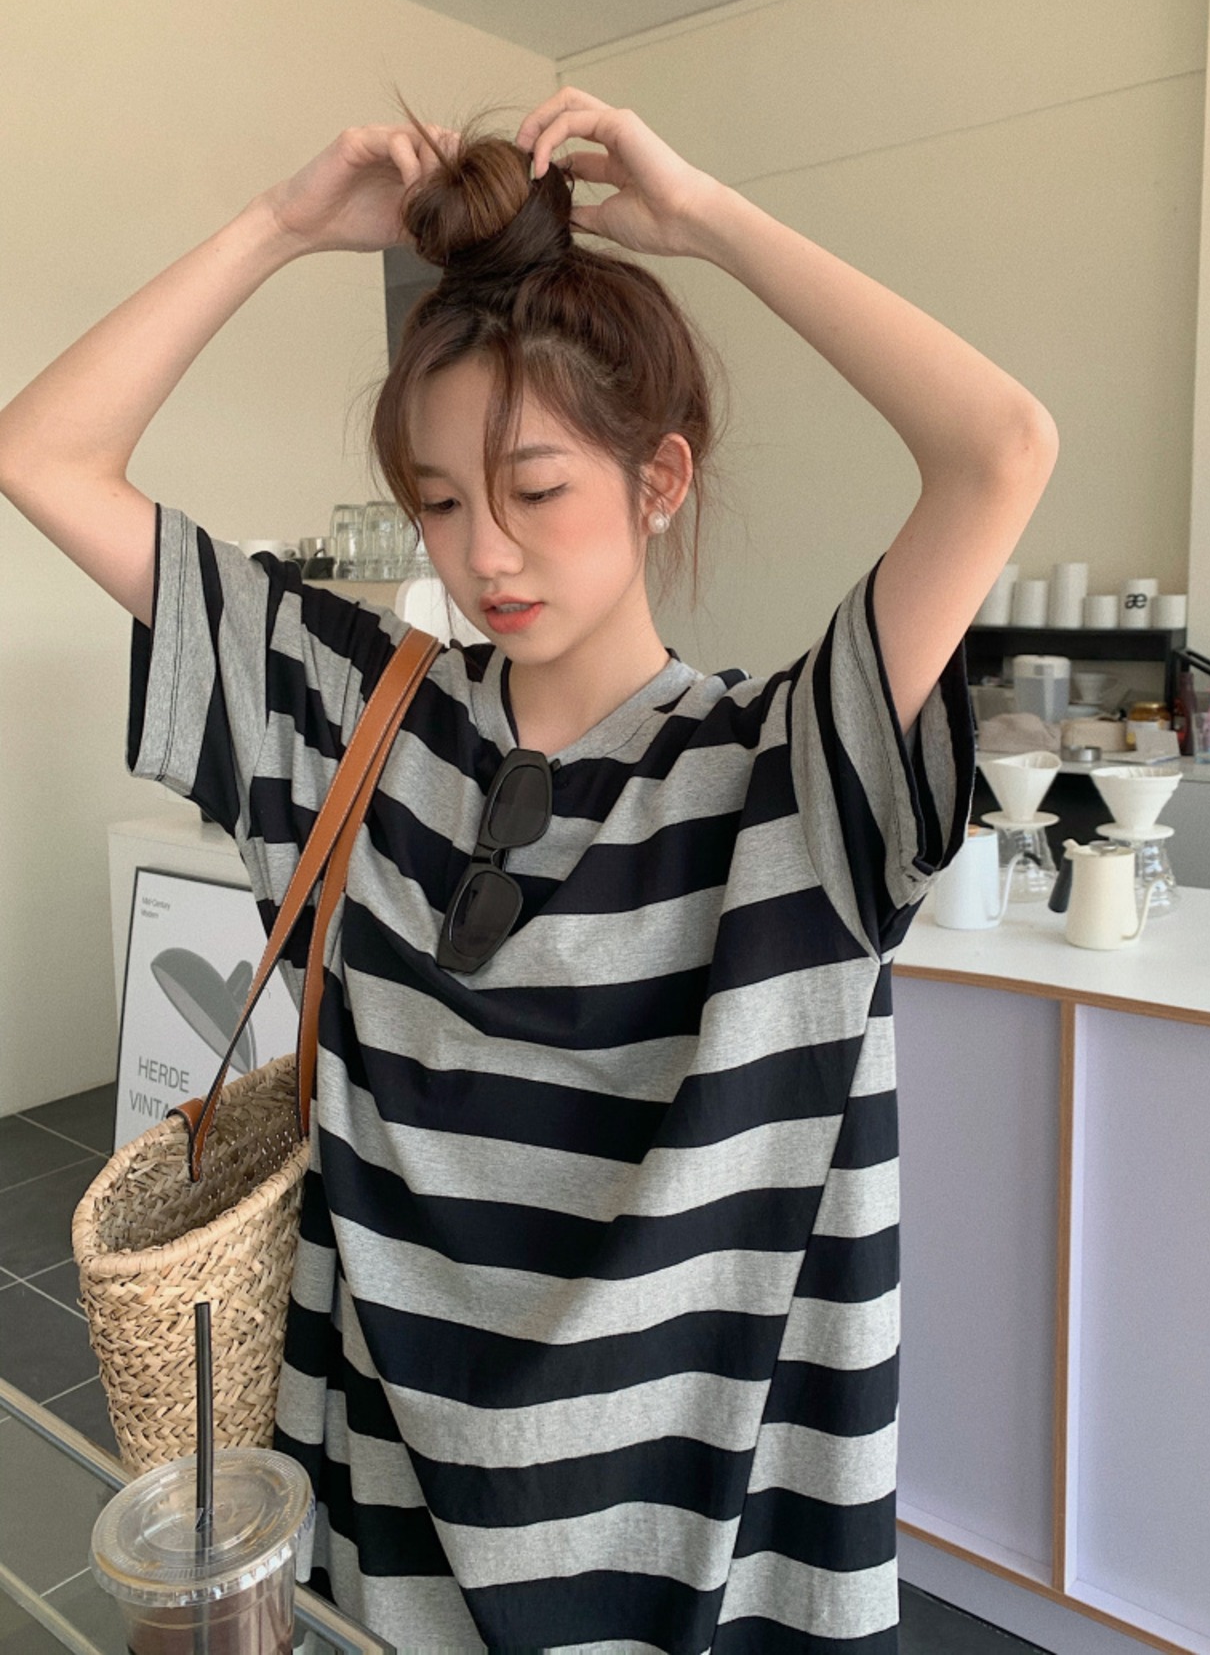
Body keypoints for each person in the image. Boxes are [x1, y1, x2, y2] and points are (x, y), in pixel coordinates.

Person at [0, 85, 1057, 1651]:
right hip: (392, 1550)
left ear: (660, 478)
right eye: (441, 501)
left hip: (694, 1574)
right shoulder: (355, 722)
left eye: (537, 489)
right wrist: (282, 225)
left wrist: (708, 220)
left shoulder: (785, 776)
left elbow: (1001, 446)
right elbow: (44, 454)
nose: (484, 552)